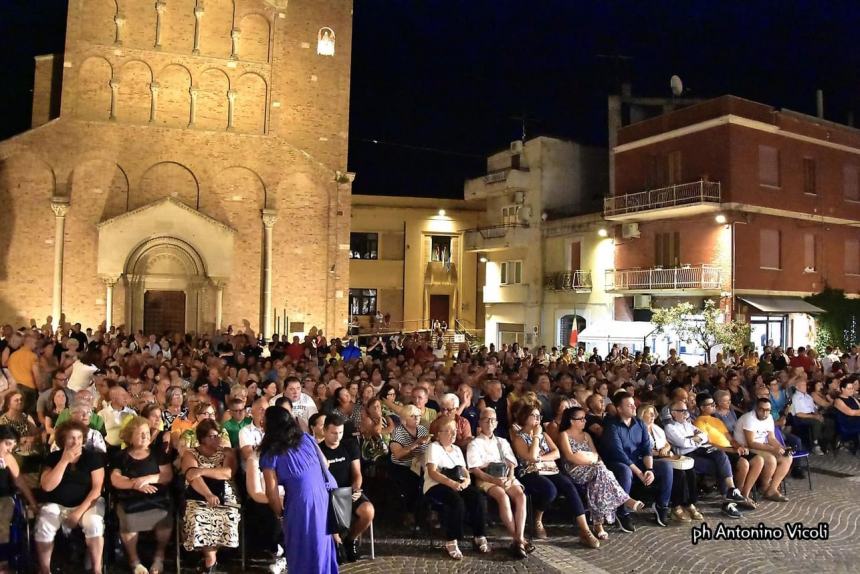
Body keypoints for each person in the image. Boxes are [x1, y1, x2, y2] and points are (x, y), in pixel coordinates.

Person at [260, 406, 338, 574]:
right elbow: (325, 463)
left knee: (301, 547)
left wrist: (280, 513)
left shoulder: (270, 453)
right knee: (320, 544)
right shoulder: (306, 438)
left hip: (301, 502)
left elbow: (271, 492)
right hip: (322, 496)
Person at [511, 403, 598, 548]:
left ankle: (585, 530)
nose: (537, 419)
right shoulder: (519, 438)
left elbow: (556, 453)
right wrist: (536, 437)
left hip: (549, 469)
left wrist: (541, 457)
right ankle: (538, 518)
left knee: (568, 485)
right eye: (534, 416)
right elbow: (531, 457)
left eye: (539, 416)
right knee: (550, 490)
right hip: (529, 473)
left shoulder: (544, 434)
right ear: (525, 417)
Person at [557, 407, 645, 540]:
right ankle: (625, 500)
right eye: (580, 419)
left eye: (584, 418)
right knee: (601, 472)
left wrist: (596, 462)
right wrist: (590, 459)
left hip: (593, 468)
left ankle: (598, 525)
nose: (584, 421)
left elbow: (596, 455)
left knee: (600, 477)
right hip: (575, 470)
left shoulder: (586, 435)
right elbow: (570, 457)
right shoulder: (564, 435)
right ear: (571, 421)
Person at [34, 420, 106, 574]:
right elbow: (47, 486)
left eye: (79, 438)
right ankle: (45, 569)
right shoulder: (53, 458)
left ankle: (97, 569)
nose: (76, 442)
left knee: (94, 524)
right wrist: (64, 461)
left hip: (87, 504)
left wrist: (78, 513)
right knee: (44, 524)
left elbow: (97, 489)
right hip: (57, 504)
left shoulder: (93, 457)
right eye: (71, 438)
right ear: (62, 440)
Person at [601, 392, 674, 532]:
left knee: (666, 465)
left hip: (637, 462)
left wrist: (649, 469)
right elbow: (619, 454)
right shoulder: (612, 426)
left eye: (634, 404)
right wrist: (640, 473)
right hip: (616, 463)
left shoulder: (639, 423)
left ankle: (661, 505)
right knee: (625, 470)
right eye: (629, 405)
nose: (634, 407)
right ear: (619, 409)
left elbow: (646, 448)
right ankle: (622, 511)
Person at [663, 399, 750, 515]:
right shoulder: (670, 427)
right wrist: (695, 439)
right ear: (673, 413)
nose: (686, 413)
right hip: (687, 455)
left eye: (686, 410)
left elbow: (704, 436)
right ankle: (727, 501)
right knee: (718, 467)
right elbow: (682, 443)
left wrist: (693, 439)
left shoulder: (687, 424)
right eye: (682, 411)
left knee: (721, 455)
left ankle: (731, 489)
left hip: (701, 449)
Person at [110, 417, 173, 574]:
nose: (145, 437)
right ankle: (134, 561)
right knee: (128, 519)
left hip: (157, 499)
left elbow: (166, 475)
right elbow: (116, 479)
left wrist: (146, 479)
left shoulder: (158, 453)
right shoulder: (121, 456)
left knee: (165, 518)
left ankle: (159, 557)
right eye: (140, 434)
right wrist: (135, 485)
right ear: (130, 437)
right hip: (130, 499)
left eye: (146, 433)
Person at [466, 408, 529, 558]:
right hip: (487, 478)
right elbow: (475, 470)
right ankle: (520, 540)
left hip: (506, 476)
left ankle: (518, 538)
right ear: (480, 422)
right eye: (486, 419)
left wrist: (510, 477)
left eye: (492, 420)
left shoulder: (502, 441)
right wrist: (493, 480)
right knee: (502, 496)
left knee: (521, 496)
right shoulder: (474, 443)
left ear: (496, 423)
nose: (489, 422)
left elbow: (512, 463)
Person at [180, 419, 240, 574]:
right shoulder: (190, 453)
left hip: (225, 495)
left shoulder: (226, 452)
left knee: (227, 516)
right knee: (199, 516)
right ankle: (210, 560)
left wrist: (202, 470)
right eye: (212, 436)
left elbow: (227, 472)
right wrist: (208, 494)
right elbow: (192, 476)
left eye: (217, 435)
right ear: (202, 438)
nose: (217, 439)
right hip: (199, 495)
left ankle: (209, 560)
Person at [424, 418, 488, 560]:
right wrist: (451, 483)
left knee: (477, 496)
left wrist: (467, 481)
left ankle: (479, 535)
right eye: (448, 431)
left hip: (457, 484)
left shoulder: (458, 449)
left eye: (454, 431)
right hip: (436, 484)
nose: (453, 434)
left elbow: (464, 471)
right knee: (456, 501)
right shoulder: (433, 447)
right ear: (439, 434)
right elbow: (432, 472)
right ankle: (452, 540)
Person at [318, 415, 375, 562]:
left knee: (368, 511)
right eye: (333, 433)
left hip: (349, 490)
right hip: (328, 494)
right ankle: (337, 542)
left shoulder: (349, 446)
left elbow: (357, 474)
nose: (338, 437)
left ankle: (351, 539)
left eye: (340, 433)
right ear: (324, 431)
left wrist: (355, 489)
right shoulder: (319, 450)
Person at [694, 393, 764, 505]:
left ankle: (744, 493)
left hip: (730, 448)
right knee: (743, 464)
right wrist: (731, 450)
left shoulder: (717, 421)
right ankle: (737, 494)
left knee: (758, 460)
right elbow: (707, 443)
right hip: (719, 451)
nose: (714, 406)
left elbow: (730, 438)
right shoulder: (699, 421)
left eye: (714, 403)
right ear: (702, 407)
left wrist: (738, 446)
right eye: (710, 404)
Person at [733, 398, 793, 501]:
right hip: (746, 447)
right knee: (771, 459)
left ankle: (772, 489)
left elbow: (771, 438)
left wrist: (780, 447)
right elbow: (751, 443)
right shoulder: (749, 418)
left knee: (787, 458)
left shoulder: (769, 418)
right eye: (762, 409)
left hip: (762, 445)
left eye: (768, 410)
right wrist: (772, 448)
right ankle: (764, 486)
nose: (765, 413)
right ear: (756, 408)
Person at [0, 424, 38, 572]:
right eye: (7, 444)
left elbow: (20, 482)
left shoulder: (7, 458)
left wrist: (33, 503)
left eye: (13, 445)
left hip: (3, 498)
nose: (10, 449)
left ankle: (2, 563)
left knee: (2, 519)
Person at [388, 404, 431, 515]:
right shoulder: (398, 432)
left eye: (418, 416)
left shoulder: (422, 430)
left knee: (430, 479)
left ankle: (427, 511)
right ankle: (410, 513)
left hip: (420, 464)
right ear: (404, 418)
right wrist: (415, 444)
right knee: (413, 484)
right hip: (402, 466)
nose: (416, 418)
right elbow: (397, 455)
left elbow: (428, 449)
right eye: (412, 416)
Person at [833, 379, 860, 443]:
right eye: (849, 388)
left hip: (856, 420)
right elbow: (851, 412)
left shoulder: (852, 398)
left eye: (852, 388)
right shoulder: (838, 400)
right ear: (843, 389)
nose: (852, 390)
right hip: (846, 424)